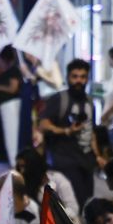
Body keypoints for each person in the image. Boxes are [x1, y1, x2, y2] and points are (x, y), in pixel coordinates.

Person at [36, 57, 98, 205]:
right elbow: (43, 124)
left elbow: (92, 131)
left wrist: (98, 156)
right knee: (73, 203)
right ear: (68, 77)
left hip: (87, 161)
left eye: (83, 77)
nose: (79, 81)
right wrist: (66, 131)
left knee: (87, 201)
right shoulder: (59, 99)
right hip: (65, 160)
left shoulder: (90, 102)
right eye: (75, 76)